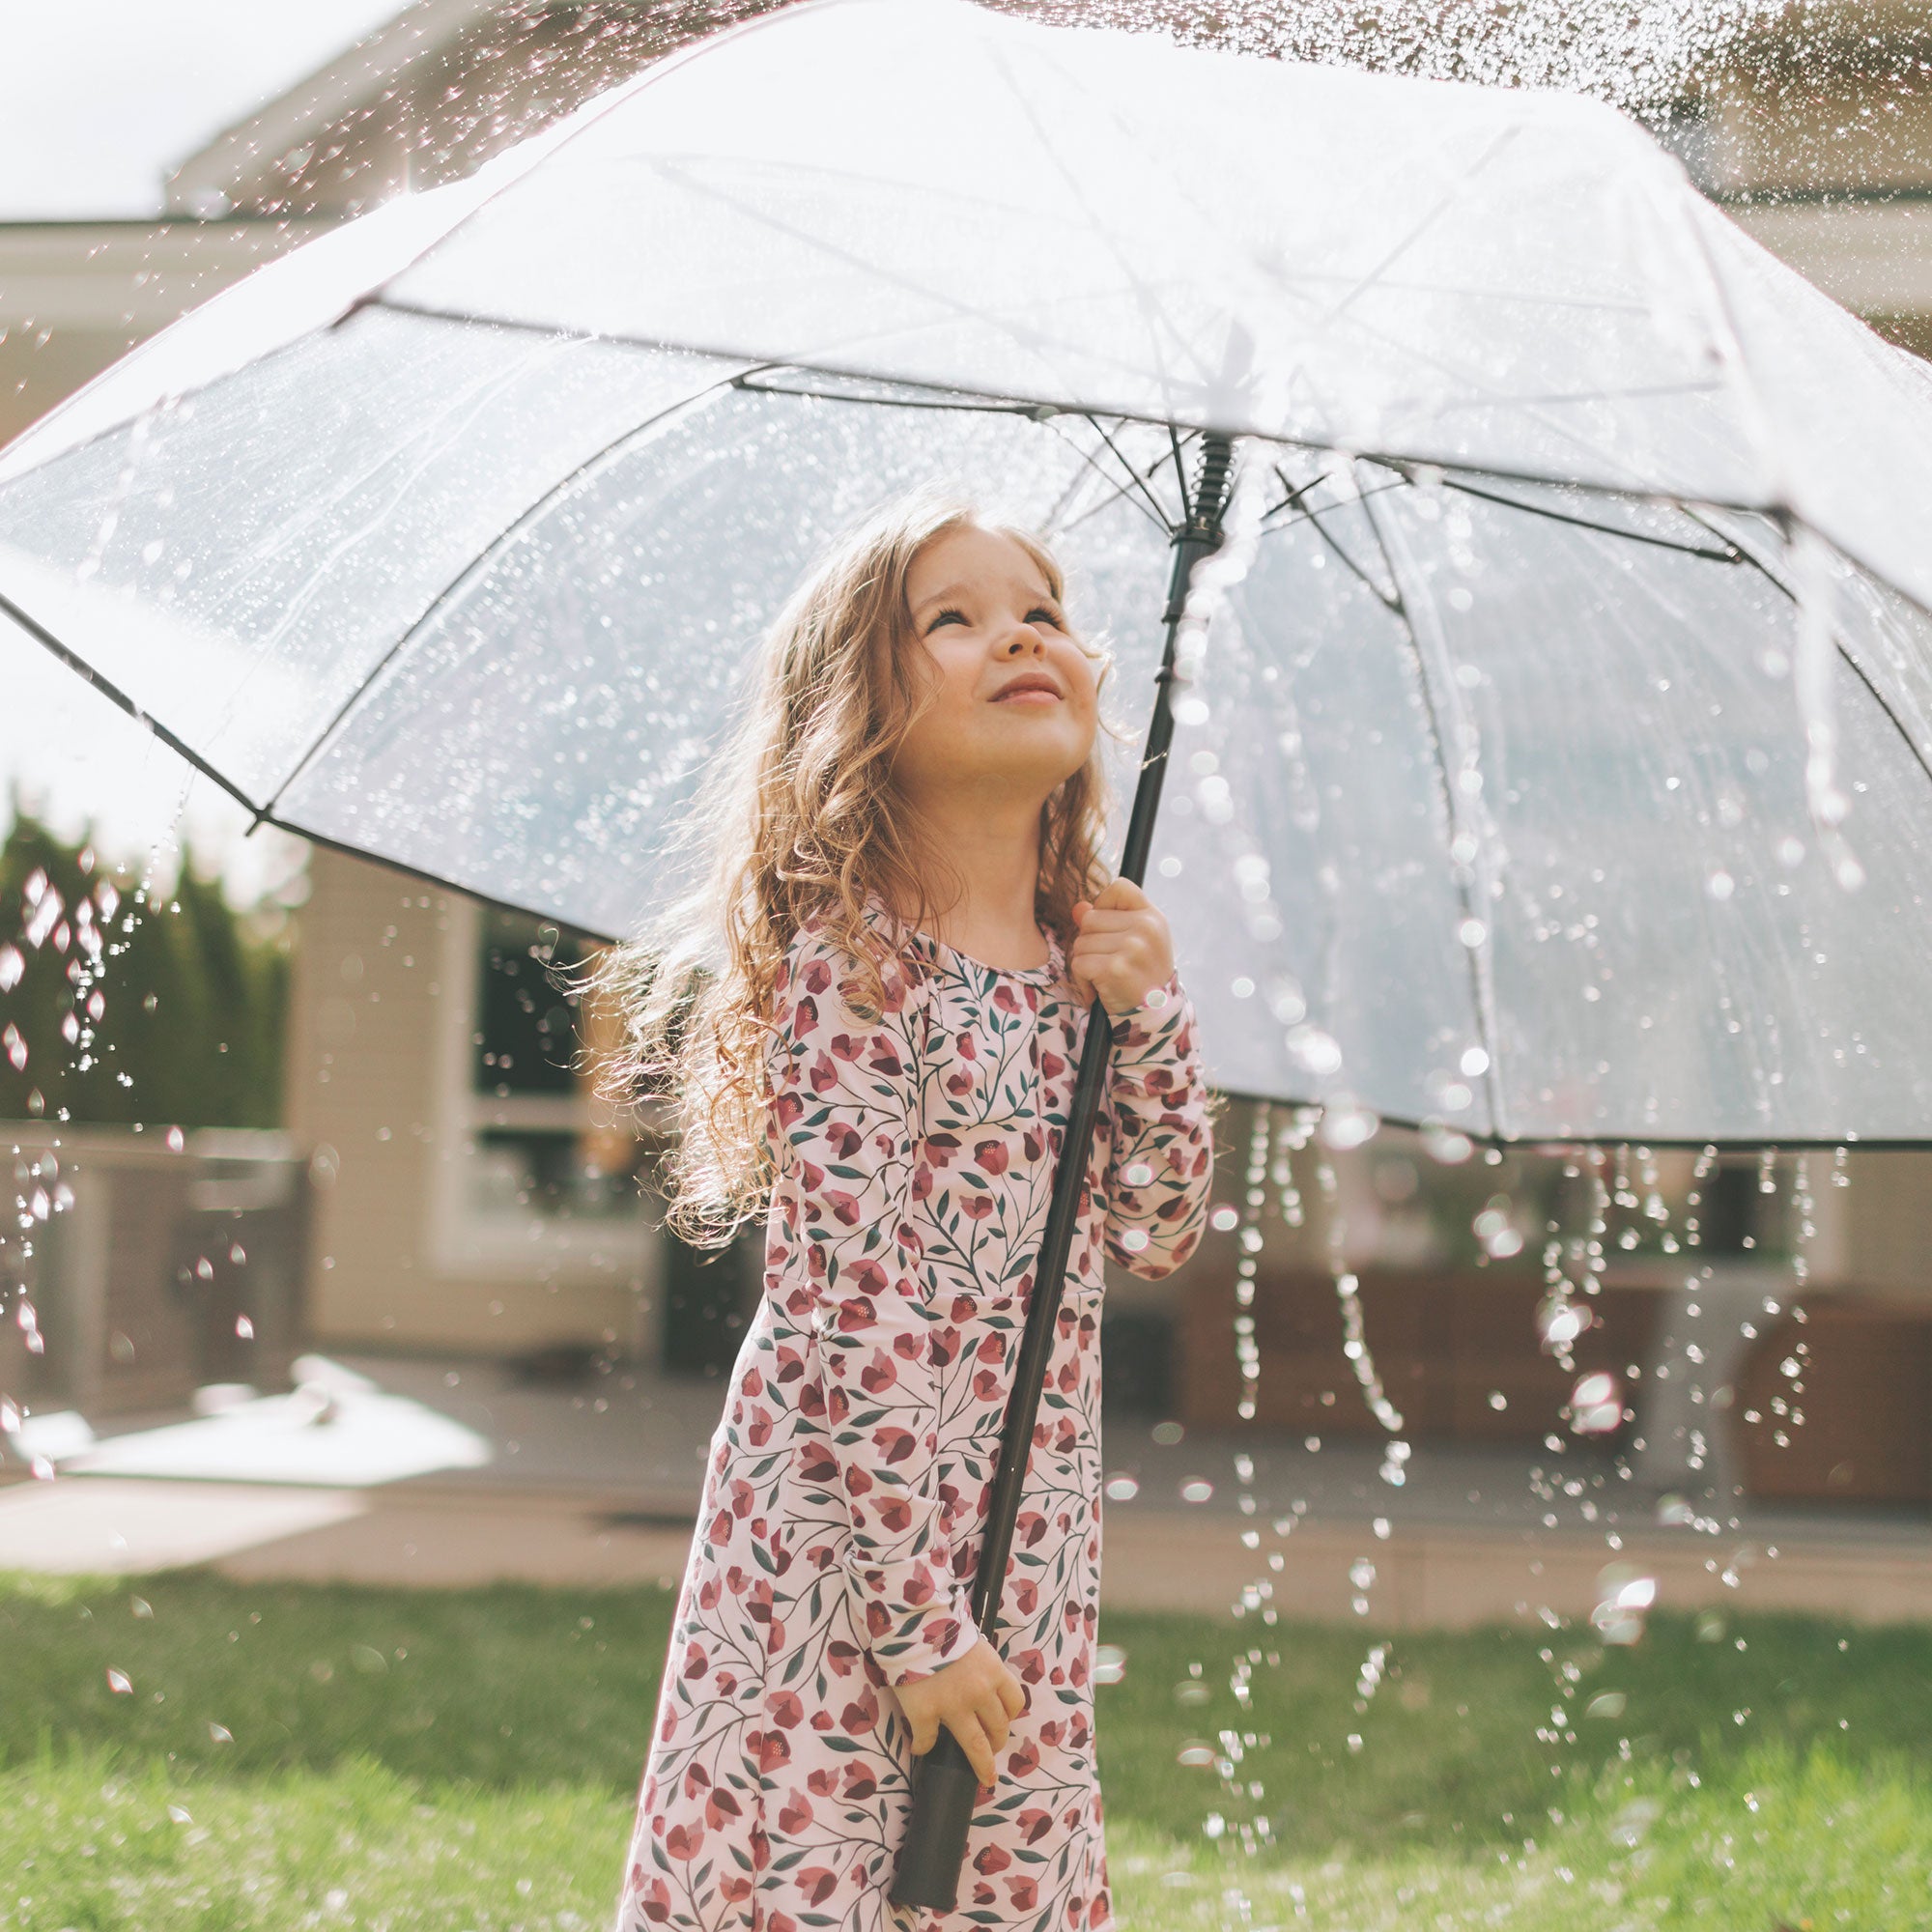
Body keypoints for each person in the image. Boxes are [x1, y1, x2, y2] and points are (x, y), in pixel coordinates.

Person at [598, 485, 1215, 1932]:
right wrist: (921, 1622)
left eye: (1044, 613)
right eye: (958, 618)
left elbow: (1157, 1224)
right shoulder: (853, 962)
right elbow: (842, 1302)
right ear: (859, 708)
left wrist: (1155, 1017)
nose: (1021, 635)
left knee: (992, 1871)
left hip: (1030, 1519)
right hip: (848, 1540)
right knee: (820, 1868)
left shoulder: (1088, 958)